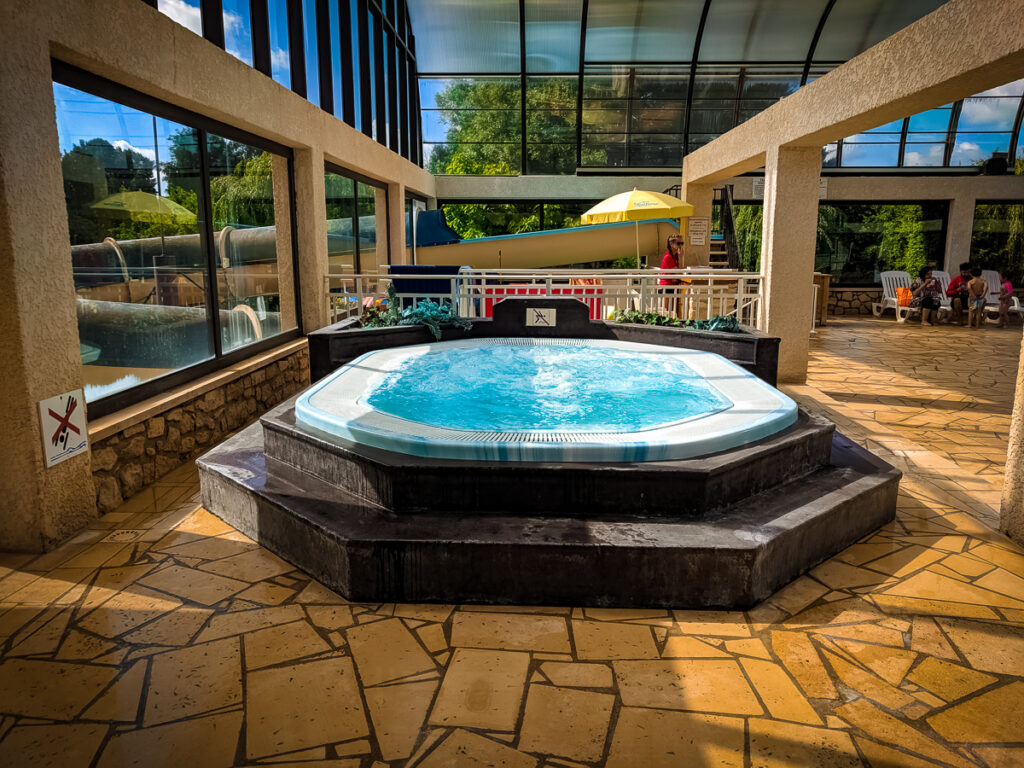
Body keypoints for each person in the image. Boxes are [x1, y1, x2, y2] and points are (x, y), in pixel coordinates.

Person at [659, 235, 684, 317]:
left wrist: (681, 256)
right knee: (666, 311)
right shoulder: (668, 257)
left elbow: (678, 271)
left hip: (672, 285)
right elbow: (677, 272)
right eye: (678, 243)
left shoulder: (675, 256)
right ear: (671, 244)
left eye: (682, 243)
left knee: (671, 310)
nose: (680, 246)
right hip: (666, 286)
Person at [945, 261, 973, 326]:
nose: (966, 274)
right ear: (960, 272)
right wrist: (957, 290)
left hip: (969, 301)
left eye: (968, 272)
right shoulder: (956, 280)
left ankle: (974, 320)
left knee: (979, 301)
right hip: (958, 301)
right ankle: (960, 320)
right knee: (957, 300)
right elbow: (948, 293)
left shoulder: (973, 280)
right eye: (964, 272)